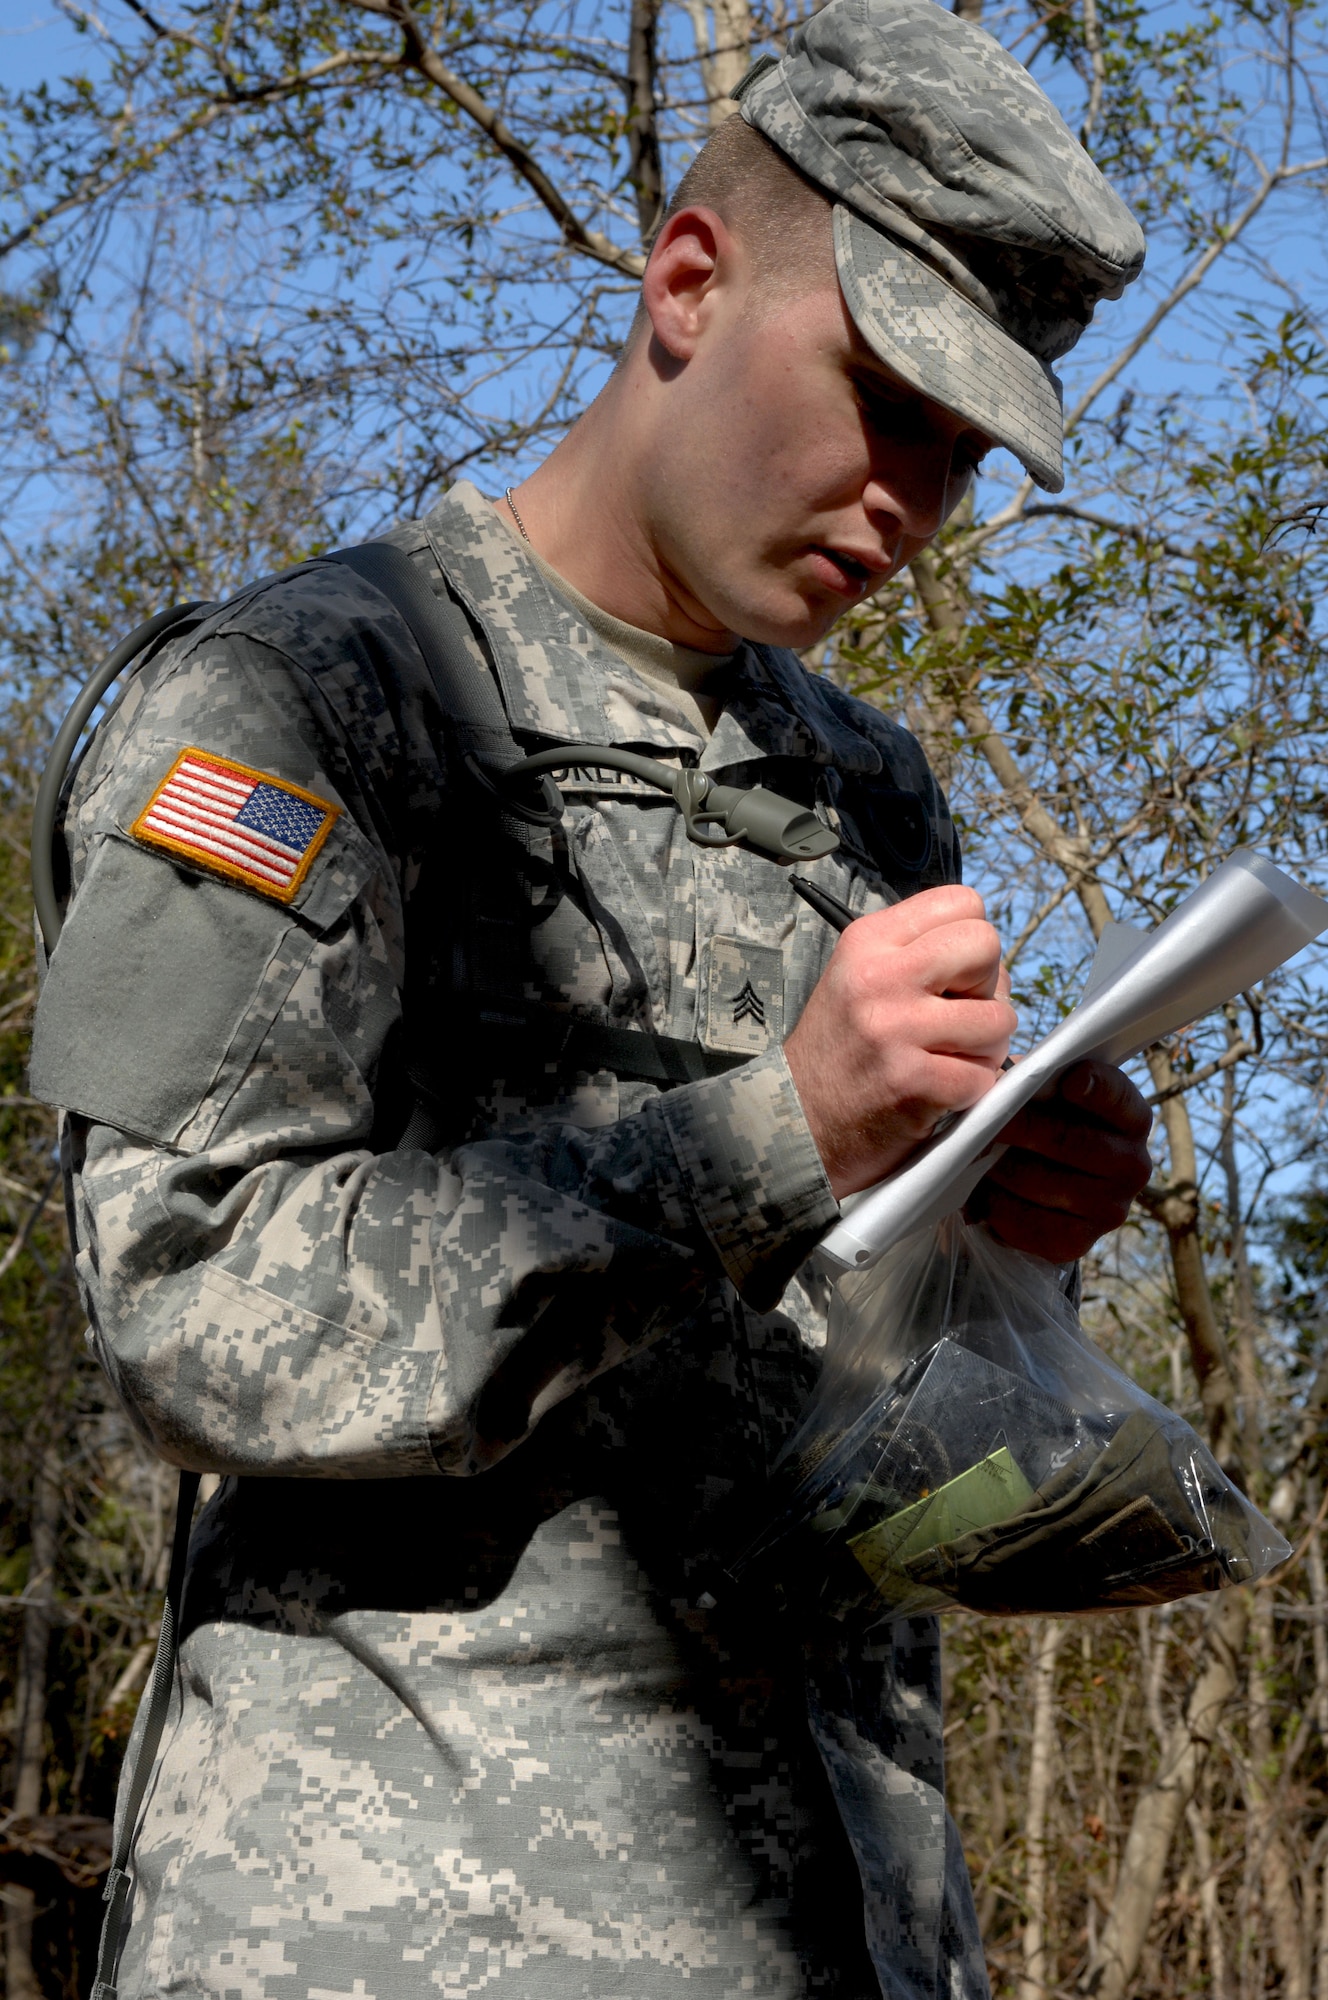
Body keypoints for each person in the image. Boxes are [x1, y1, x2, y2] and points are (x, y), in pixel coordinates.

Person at [30, 2, 1152, 1994]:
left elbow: (835, 1366)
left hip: (833, 1912)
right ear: (689, 281)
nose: (912, 495)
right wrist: (767, 1131)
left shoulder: (861, 785)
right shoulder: (303, 704)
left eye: (965, 454)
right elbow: (186, 1300)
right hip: (395, 1932)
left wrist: (997, 1243)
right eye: (887, 397)